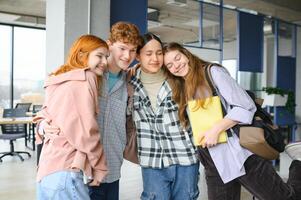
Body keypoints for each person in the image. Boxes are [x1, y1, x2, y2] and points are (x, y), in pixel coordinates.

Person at [162, 42, 301, 200]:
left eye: (177, 58)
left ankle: (299, 163)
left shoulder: (212, 72)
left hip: (240, 154)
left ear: (186, 54)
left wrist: (216, 130)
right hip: (212, 159)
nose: (176, 66)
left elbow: (245, 106)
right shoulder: (182, 86)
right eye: (170, 65)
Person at [38, 21, 141, 200]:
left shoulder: (129, 82)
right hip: (84, 169)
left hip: (113, 167)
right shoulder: (88, 75)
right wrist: (42, 125)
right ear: (109, 45)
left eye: (132, 50)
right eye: (122, 48)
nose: (127, 55)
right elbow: (49, 109)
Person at [34, 35, 109, 199]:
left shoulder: (59, 79)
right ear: (82, 55)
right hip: (67, 172)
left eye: (107, 57)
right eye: (99, 56)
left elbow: (43, 114)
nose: (105, 61)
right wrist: (100, 166)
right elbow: (86, 131)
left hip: (47, 170)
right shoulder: (85, 77)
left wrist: (43, 126)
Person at [127, 33, 200, 200]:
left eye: (159, 53)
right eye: (148, 53)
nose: (155, 58)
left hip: (185, 158)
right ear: (138, 56)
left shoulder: (179, 78)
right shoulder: (129, 83)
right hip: (152, 160)